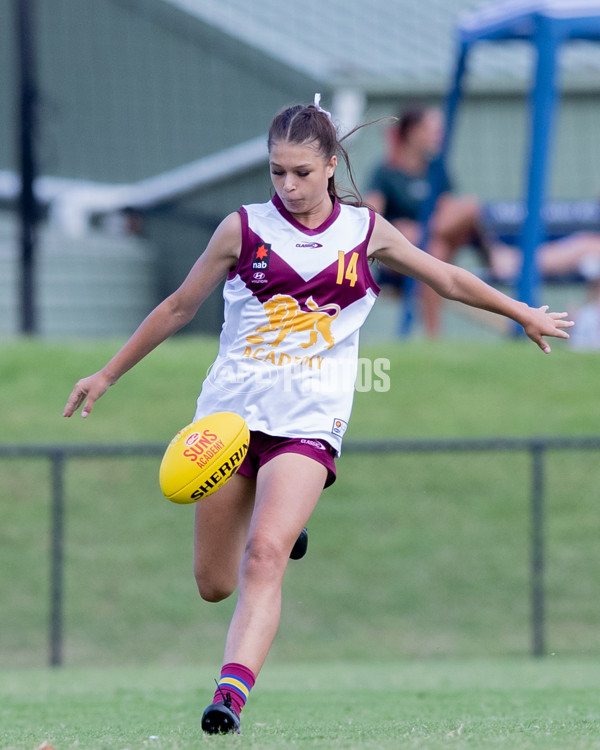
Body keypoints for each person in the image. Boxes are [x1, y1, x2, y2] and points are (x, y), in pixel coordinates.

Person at [63, 95, 573, 735]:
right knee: (214, 583)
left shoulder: (364, 230)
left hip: (309, 420)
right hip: (228, 422)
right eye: (278, 171)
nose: (289, 185)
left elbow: (445, 277)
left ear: (332, 164)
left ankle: (231, 695)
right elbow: (176, 308)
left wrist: (522, 312)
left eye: (302, 172)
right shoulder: (241, 230)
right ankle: (282, 527)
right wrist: (106, 373)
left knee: (264, 556)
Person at [365, 106, 504, 336]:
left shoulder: (437, 169)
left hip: (435, 251)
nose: (439, 135)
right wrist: (398, 233)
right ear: (413, 132)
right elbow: (371, 214)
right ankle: (433, 334)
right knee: (423, 242)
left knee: (457, 220)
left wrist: (421, 231)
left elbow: (450, 213)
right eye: (432, 130)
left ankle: (433, 336)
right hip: (398, 259)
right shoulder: (386, 172)